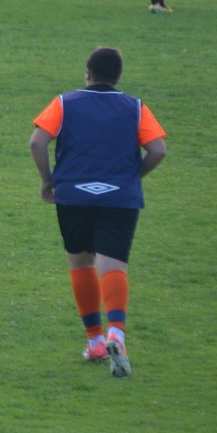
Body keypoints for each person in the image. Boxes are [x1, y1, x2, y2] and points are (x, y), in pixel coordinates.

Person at [29, 47, 166, 378]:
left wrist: (48, 179)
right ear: (118, 76)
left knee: (81, 262)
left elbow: (37, 142)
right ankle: (117, 332)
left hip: (73, 195)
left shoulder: (64, 103)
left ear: (87, 73)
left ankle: (95, 342)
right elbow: (158, 150)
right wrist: (133, 176)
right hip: (120, 197)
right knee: (113, 263)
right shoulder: (136, 106)